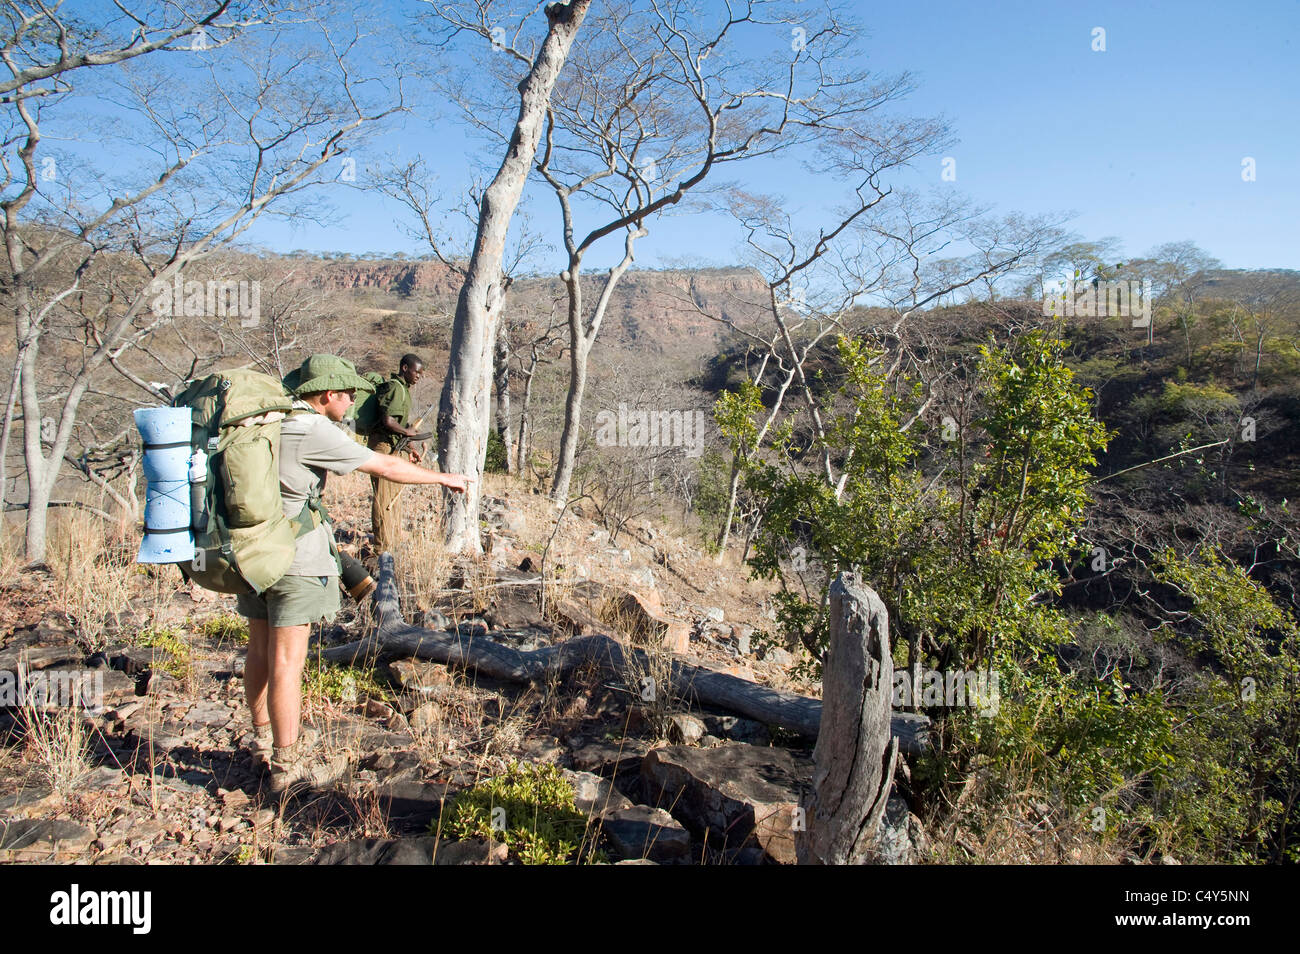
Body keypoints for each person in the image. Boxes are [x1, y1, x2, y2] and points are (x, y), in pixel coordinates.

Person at [238, 354, 470, 794]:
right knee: (288, 660)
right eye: (346, 397)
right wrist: (444, 478)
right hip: (294, 559)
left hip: (254, 553)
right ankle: (286, 767)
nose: (350, 405)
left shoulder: (267, 423)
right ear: (327, 395)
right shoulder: (312, 428)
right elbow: (382, 464)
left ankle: (260, 741)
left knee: (259, 649)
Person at [368, 353, 431, 553]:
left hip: (392, 446)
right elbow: (388, 421)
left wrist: (410, 447)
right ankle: (382, 549)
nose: (419, 377)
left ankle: (390, 543)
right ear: (405, 368)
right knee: (384, 499)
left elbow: (397, 425)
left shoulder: (403, 390)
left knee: (392, 499)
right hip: (384, 448)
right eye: (416, 372)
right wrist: (407, 432)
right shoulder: (396, 388)